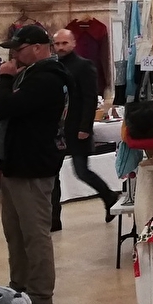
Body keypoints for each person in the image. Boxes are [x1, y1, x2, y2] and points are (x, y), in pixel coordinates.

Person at [0, 25, 69, 304]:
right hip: (16, 163)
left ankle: (39, 293)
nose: (14, 55)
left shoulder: (45, 78)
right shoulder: (31, 74)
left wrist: (4, 80)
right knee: (14, 231)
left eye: (19, 49)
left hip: (33, 166)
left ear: (37, 48)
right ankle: (19, 284)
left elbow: (1, 108)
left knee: (35, 233)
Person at [50, 28, 117, 225]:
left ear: (73, 43)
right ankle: (54, 219)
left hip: (77, 127)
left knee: (81, 171)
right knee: (53, 175)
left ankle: (108, 196)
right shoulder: (53, 66)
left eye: (64, 43)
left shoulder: (84, 66)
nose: (60, 47)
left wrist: (85, 127)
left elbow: (89, 98)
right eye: (57, 44)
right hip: (57, 130)